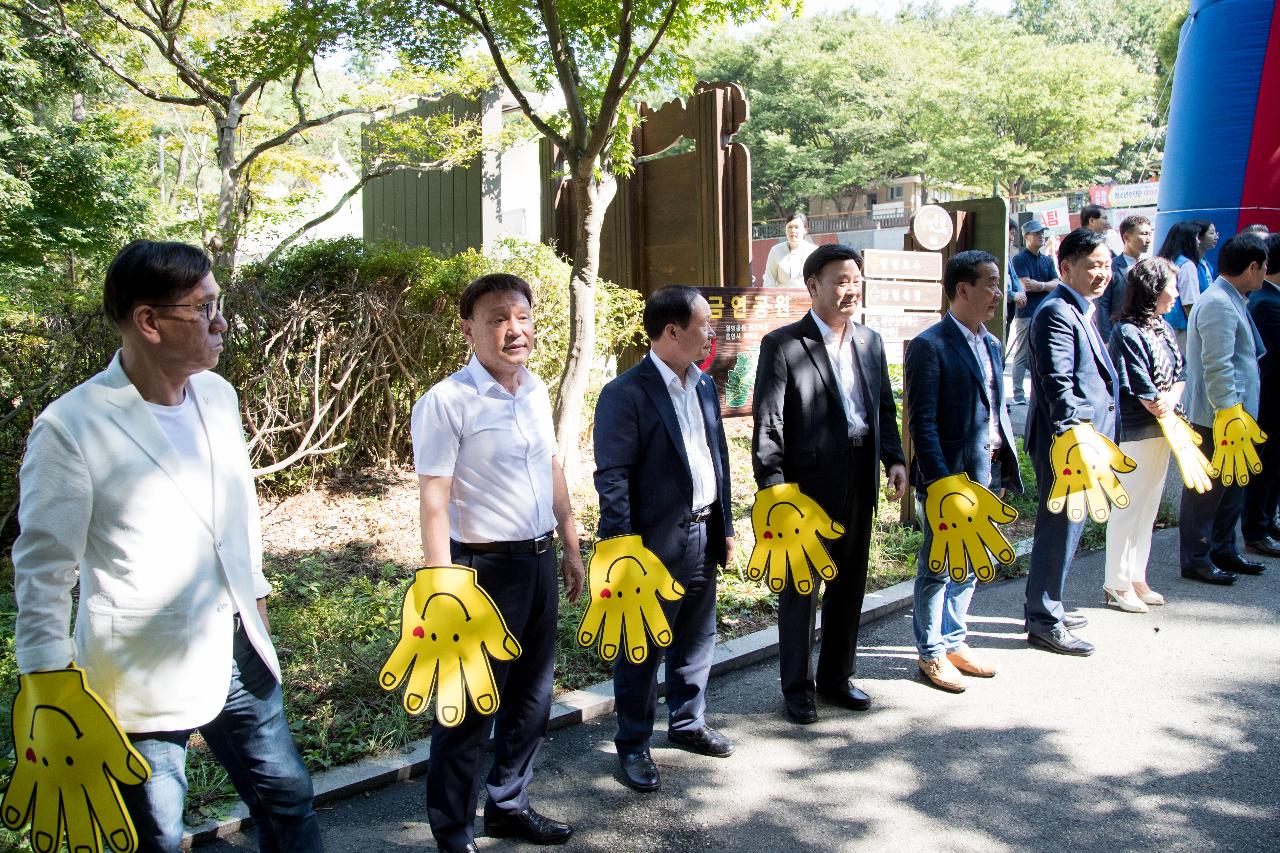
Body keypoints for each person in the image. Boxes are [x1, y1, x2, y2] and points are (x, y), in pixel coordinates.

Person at [10, 240, 322, 852]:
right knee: (155, 828)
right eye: (203, 308)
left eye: (218, 303)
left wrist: (254, 591)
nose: (220, 322)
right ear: (149, 321)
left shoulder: (217, 395)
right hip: (139, 666)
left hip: (238, 647)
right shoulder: (71, 426)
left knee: (288, 796)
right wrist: (47, 687)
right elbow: (43, 569)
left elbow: (236, 513)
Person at [411, 273, 585, 853]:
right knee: (466, 709)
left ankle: (508, 805)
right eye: (497, 319)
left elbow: (551, 467)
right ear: (469, 330)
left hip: (537, 564)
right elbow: (434, 498)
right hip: (481, 573)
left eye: (522, 316)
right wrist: (443, 587)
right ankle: (453, 832)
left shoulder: (534, 390)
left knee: (532, 701)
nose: (515, 330)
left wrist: (570, 537)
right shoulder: (446, 402)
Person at [752, 243, 907, 723]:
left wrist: (894, 458)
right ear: (813, 286)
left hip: (859, 477)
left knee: (849, 585)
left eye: (856, 281)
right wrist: (775, 493)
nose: (851, 290)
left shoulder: (870, 342)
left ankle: (837, 678)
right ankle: (797, 688)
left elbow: (882, 406)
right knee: (801, 589)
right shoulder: (784, 345)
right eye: (841, 281)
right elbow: (769, 426)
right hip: (805, 491)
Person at [593, 286, 736, 793]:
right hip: (650, 547)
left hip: (701, 532)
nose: (711, 334)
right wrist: (621, 550)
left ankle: (688, 722)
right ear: (672, 331)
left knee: (698, 636)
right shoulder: (624, 394)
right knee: (641, 648)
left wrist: (727, 526)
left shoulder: (701, 384)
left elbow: (716, 459)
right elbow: (613, 479)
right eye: (703, 324)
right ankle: (633, 744)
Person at [906, 251, 1023, 692]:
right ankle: (931, 653)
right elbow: (923, 423)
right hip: (948, 481)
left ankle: (955, 640)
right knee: (938, 564)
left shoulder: (991, 343)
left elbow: (997, 412)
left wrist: (1004, 468)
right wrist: (942, 486)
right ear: (962, 289)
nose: (999, 293)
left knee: (972, 562)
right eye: (991, 283)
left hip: (984, 474)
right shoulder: (929, 346)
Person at [1023, 228, 1120, 656]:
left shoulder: (1081, 308)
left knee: (1069, 525)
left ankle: (1051, 604)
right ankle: (1044, 620)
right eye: (1092, 266)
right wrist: (1076, 436)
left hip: (1082, 441)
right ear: (1065, 268)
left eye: (1107, 266)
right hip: (1067, 444)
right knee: (1058, 528)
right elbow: (1056, 383)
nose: (1102, 274)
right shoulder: (1057, 311)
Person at [1179, 234, 1271, 585]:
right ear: (1252, 267)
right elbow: (1218, 366)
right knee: (1207, 491)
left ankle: (1222, 550)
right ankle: (1198, 559)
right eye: (1262, 268)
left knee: (1231, 487)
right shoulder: (1218, 301)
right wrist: (1229, 413)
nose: (1264, 274)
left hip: (1232, 417)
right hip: (1217, 418)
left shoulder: (1230, 297)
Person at [1104, 258, 1185, 612]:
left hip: (1165, 427)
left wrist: (1171, 398)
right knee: (1127, 505)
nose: (1177, 294)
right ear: (1154, 288)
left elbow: (1181, 371)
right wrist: (1159, 401)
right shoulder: (1126, 331)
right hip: (1136, 428)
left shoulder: (1162, 327)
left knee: (1149, 505)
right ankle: (1116, 582)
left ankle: (1137, 576)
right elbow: (1137, 383)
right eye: (1172, 286)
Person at [1243, 234, 1280, 556]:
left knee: (1274, 467)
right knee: (1266, 467)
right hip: (1269, 397)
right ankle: (1256, 528)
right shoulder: (1266, 302)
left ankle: (1266, 521)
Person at [1009, 220, 1062, 405]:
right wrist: (1046, 286)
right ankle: (1017, 394)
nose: (1041, 236)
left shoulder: (1047, 260)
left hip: (1045, 312)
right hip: (1026, 313)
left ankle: (1036, 394)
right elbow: (1025, 285)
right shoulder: (1019, 259)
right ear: (1026, 237)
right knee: (1022, 354)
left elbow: (1057, 284)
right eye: (1036, 233)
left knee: (1042, 354)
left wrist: (1039, 285)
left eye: (1042, 233)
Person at [1094, 214, 1154, 343]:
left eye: (1149, 234)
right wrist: (1107, 340)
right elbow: (1102, 305)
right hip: (1120, 337)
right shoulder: (1111, 267)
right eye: (1143, 234)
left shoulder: (1151, 267)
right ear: (1126, 237)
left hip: (1148, 335)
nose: (1148, 239)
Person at [1156, 220, 1206, 350]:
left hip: (1164, 323)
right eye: (1196, 237)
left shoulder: (1164, 260)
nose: (1198, 241)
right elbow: (1189, 303)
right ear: (1187, 240)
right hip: (1182, 329)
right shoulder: (1187, 265)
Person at [763, 212, 817, 288]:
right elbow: (769, 280)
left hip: (807, 297)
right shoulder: (775, 251)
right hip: (782, 298)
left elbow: (819, 280)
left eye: (796, 227)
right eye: (790, 227)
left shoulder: (814, 251)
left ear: (805, 230)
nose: (793, 230)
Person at [1006, 217, 1028, 339]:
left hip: (1010, 308)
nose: (1012, 238)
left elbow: (1014, 277)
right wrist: (1012, 295)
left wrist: (1020, 293)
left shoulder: (1008, 255)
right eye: (1011, 234)